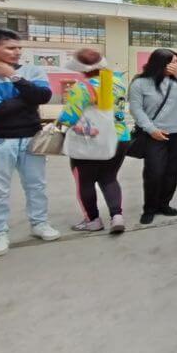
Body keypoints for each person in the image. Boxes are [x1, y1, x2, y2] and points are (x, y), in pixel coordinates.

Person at [0, 29, 59, 256]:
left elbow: (43, 97)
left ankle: (39, 223)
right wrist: (29, 96)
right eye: (11, 48)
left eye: (19, 47)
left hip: (33, 138)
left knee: (36, 185)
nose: (17, 52)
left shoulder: (33, 70)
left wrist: (14, 77)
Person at [57, 49, 129, 234]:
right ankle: (117, 216)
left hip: (90, 141)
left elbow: (68, 118)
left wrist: (60, 122)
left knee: (85, 182)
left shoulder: (82, 88)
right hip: (119, 137)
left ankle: (93, 220)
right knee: (109, 178)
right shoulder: (117, 83)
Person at [129, 48, 177, 225]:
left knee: (172, 171)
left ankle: (164, 204)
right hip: (154, 134)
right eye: (171, 62)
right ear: (159, 62)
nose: (175, 65)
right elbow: (136, 109)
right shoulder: (140, 83)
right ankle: (150, 208)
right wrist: (151, 129)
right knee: (154, 172)